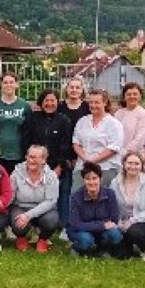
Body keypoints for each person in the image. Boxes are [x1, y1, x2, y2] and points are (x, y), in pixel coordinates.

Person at [8, 144, 61, 253]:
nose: (31, 160)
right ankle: (21, 237)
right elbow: (10, 195)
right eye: (29, 157)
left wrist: (28, 215)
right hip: (21, 206)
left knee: (52, 220)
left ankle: (43, 239)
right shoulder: (16, 173)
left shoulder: (51, 176)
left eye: (35, 158)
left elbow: (51, 201)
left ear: (43, 160)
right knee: (17, 222)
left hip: (44, 209)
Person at [110, 151, 145, 261]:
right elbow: (112, 206)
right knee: (121, 256)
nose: (132, 167)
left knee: (134, 231)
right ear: (124, 164)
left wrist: (132, 221)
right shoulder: (115, 182)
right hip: (122, 223)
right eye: (129, 163)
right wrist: (119, 223)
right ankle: (133, 248)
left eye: (136, 163)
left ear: (142, 165)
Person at [66, 161, 123, 257]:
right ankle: (77, 248)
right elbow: (75, 224)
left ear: (101, 179)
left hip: (100, 230)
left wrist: (100, 226)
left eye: (94, 178)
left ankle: (101, 250)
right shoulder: (75, 197)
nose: (91, 182)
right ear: (83, 180)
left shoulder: (110, 194)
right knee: (86, 239)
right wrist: (102, 225)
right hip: (80, 231)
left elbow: (114, 220)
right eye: (87, 179)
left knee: (116, 235)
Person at [72, 89, 124, 187]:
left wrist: (93, 160)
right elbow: (76, 143)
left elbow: (113, 148)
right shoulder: (82, 121)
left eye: (96, 102)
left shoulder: (114, 124)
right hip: (83, 167)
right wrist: (85, 159)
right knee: (77, 197)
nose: (93, 105)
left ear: (105, 103)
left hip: (106, 168)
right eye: (90, 102)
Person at [57, 77, 89, 226]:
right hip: (63, 154)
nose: (74, 90)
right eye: (71, 87)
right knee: (64, 190)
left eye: (77, 87)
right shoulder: (60, 107)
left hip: (84, 155)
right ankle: (64, 222)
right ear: (66, 89)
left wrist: (80, 156)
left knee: (80, 190)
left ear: (82, 90)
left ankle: (80, 219)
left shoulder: (87, 107)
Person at [21, 88, 73, 181]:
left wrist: (59, 167)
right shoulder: (32, 118)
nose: (49, 104)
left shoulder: (64, 121)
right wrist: (31, 163)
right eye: (46, 100)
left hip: (57, 169)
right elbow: (25, 142)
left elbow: (66, 145)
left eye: (52, 100)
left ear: (57, 102)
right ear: (41, 102)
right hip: (34, 167)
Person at [0, 72, 32, 174]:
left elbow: (29, 130)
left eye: (11, 82)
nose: (8, 85)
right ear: (1, 85)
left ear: (17, 84)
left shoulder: (24, 106)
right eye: (5, 82)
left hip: (18, 154)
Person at [115, 82, 145, 156]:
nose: (132, 96)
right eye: (129, 94)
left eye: (135, 94)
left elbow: (140, 139)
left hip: (135, 157)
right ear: (124, 96)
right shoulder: (118, 113)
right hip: (117, 154)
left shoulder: (144, 114)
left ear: (140, 96)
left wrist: (125, 153)